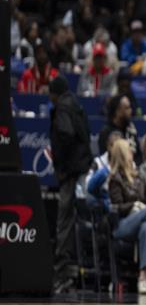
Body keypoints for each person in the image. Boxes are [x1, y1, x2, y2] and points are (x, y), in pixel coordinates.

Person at [48, 76, 93, 293]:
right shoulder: (76, 105)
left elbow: (66, 134)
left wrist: (63, 166)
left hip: (71, 174)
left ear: (53, 93)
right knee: (75, 219)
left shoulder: (62, 108)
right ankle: (73, 270)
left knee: (64, 221)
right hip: (81, 170)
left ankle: (62, 273)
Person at [108, 139, 146, 295]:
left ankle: (142, 278)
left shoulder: (136, 174)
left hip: (139, 221)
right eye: (129, 150)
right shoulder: (115, 178)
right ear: (122, 154)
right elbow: (116, 207)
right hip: (122, 224)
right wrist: (135, 205)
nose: (132, 153)